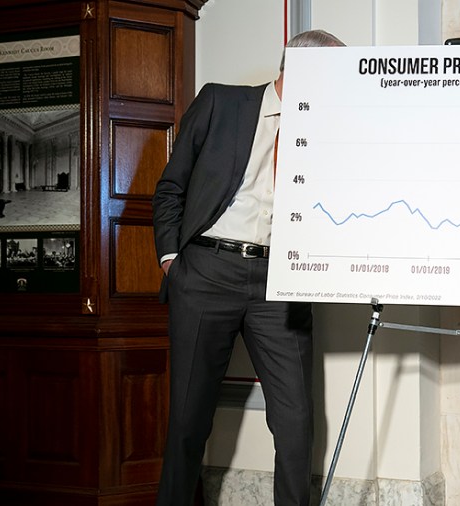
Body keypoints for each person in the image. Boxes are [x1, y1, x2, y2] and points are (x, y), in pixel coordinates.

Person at [152, 29, 345, 506]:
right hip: (205, 274)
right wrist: (173, 263)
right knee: (188, 424)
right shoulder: (221, 103)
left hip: (281, 282)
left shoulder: (328, 130)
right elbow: (170, 187)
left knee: (296, 422)